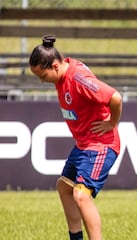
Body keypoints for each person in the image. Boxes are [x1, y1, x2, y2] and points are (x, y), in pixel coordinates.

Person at [29, 35, 122, 240]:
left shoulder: (78, 78)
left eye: (42, 75)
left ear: (54, 66)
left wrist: (112, 123)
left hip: (101, 145)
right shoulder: (63, 72)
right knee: (64, 187)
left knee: (81, 194)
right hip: (83, 145)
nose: (43, 81)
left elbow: (115, 97)